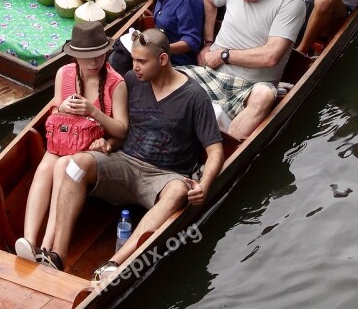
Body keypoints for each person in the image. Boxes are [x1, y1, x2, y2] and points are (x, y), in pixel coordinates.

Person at [37, 29, 223, 278]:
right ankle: (56, 255)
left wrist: (205, 184)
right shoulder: (132, 81)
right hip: (124, 163)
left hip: (164, 175)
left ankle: (114, 264)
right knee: (75, 164)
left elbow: (215, 151)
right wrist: (107, 144)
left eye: (141, 61)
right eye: (133, 60)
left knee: (179, 190)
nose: (134, 67)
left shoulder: (194, 97)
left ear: (163, 60)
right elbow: (118, 128)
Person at [14, 22, 129, 264]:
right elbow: (55, 109)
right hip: (64, 142)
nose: (93, 62)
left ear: (106, 51)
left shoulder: (116, 83)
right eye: (86, 57)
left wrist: (94, 112)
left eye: (98, 55)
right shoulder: (64, 74)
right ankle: (28, 241)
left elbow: (121, 129)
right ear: (75, 55)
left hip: (91, 150)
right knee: (45, 166)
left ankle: (47, 245)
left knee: (60, 167)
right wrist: (61, 107)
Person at [178, 0, 306, 139]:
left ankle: (223, 150)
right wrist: (207, 43)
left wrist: (224, 55)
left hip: (249, 88)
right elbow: (208, 0)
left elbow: (271, 56)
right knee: (162, 74)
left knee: (264, 95)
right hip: (211, 73)